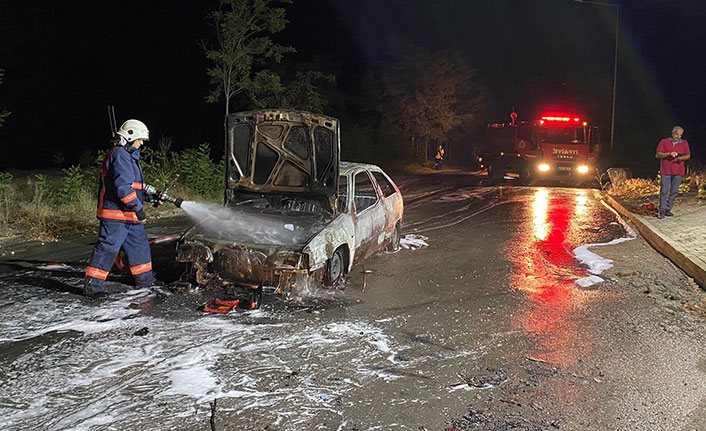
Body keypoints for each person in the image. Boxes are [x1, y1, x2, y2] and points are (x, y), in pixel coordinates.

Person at [83, 119, 159, 297]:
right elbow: (122, 188)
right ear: (130, 136)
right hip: (115, 215)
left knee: (140, 248)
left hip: (129, 215)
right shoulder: (120, 155)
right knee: (108, 249)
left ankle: (145, 281)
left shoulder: (130, 157)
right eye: (139, 140)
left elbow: (134, 188)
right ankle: (92, 287)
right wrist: (138, 208)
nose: (141, 144)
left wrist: (150, 198)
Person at [655, 125, 690, 219]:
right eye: (677, 134)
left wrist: (680, 158)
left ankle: (668, 209)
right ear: (673, 133)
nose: (678, 137)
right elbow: (658, 155)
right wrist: (669, 154)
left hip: (678, 171)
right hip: (666, 170)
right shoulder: (664, 141)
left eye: (680, 135)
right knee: (664, 191)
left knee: (674, 191)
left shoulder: (684, 143)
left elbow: (688, 156)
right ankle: (661, 210)